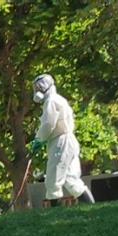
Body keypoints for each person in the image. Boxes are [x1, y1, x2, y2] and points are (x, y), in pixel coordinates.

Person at [29, 74, 95, 207]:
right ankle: (92, 207)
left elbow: (48, 124)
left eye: (39, 87)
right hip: (68, 141)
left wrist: (38, 139)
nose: (37, 91)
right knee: (71, 179)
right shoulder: (58, 100)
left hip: (60, 142)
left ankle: (55, 214)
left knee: (53, 179)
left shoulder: (51, 101)